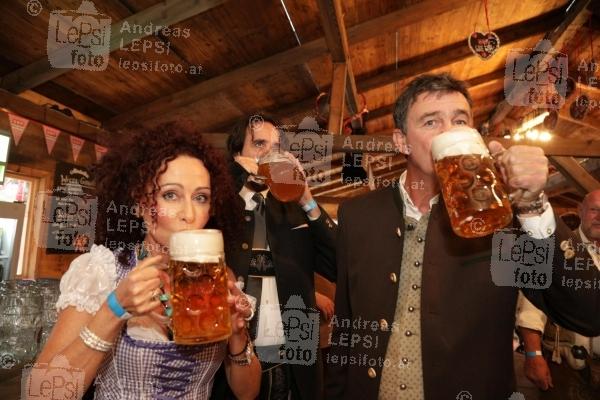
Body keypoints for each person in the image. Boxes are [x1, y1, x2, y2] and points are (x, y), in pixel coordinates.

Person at [325, 73, 600, 400]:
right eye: (431, 122)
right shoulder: (357, 215)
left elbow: (588, 312)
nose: (449, 132)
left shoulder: (502, 219)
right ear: (401, 142)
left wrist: (533, 205)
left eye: (459, 120)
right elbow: (347, 323)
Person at [33, 123, 261, 400]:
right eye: (170, 195)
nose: (189, 213)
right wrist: (114, 309)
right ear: (141, 204)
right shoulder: (104, 270)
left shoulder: (218, 277)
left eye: (201, 197)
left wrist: (238, 337)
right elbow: (40, 393)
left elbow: (248, 393)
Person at [211, 113, 337, 400]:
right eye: (259, 144)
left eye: (276, 146)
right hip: (237, 358)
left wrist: (307, 199)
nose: (270, 152)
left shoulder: (293, 207)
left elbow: (339, 263)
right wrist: (242, 184)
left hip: (296, 354)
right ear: (236, 155)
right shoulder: (218, 208)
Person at [517, 189, 600, 399]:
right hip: (566, 370)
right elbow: (531, 309)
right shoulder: (554, 250)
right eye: (594, 210)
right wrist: (533, 355)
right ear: (580, 211)